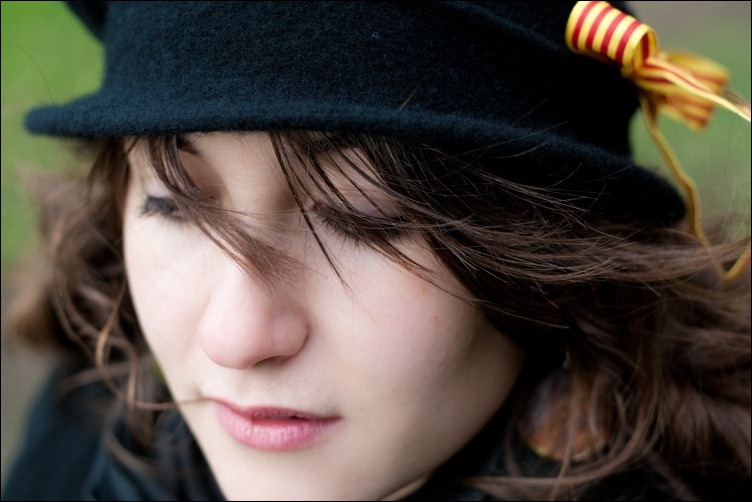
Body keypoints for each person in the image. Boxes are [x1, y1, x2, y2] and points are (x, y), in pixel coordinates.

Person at [2, 1, 750, 500]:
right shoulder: (81, 436)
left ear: (545, 249)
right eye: (172, 200)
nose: (234, 339)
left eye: (360, 217)